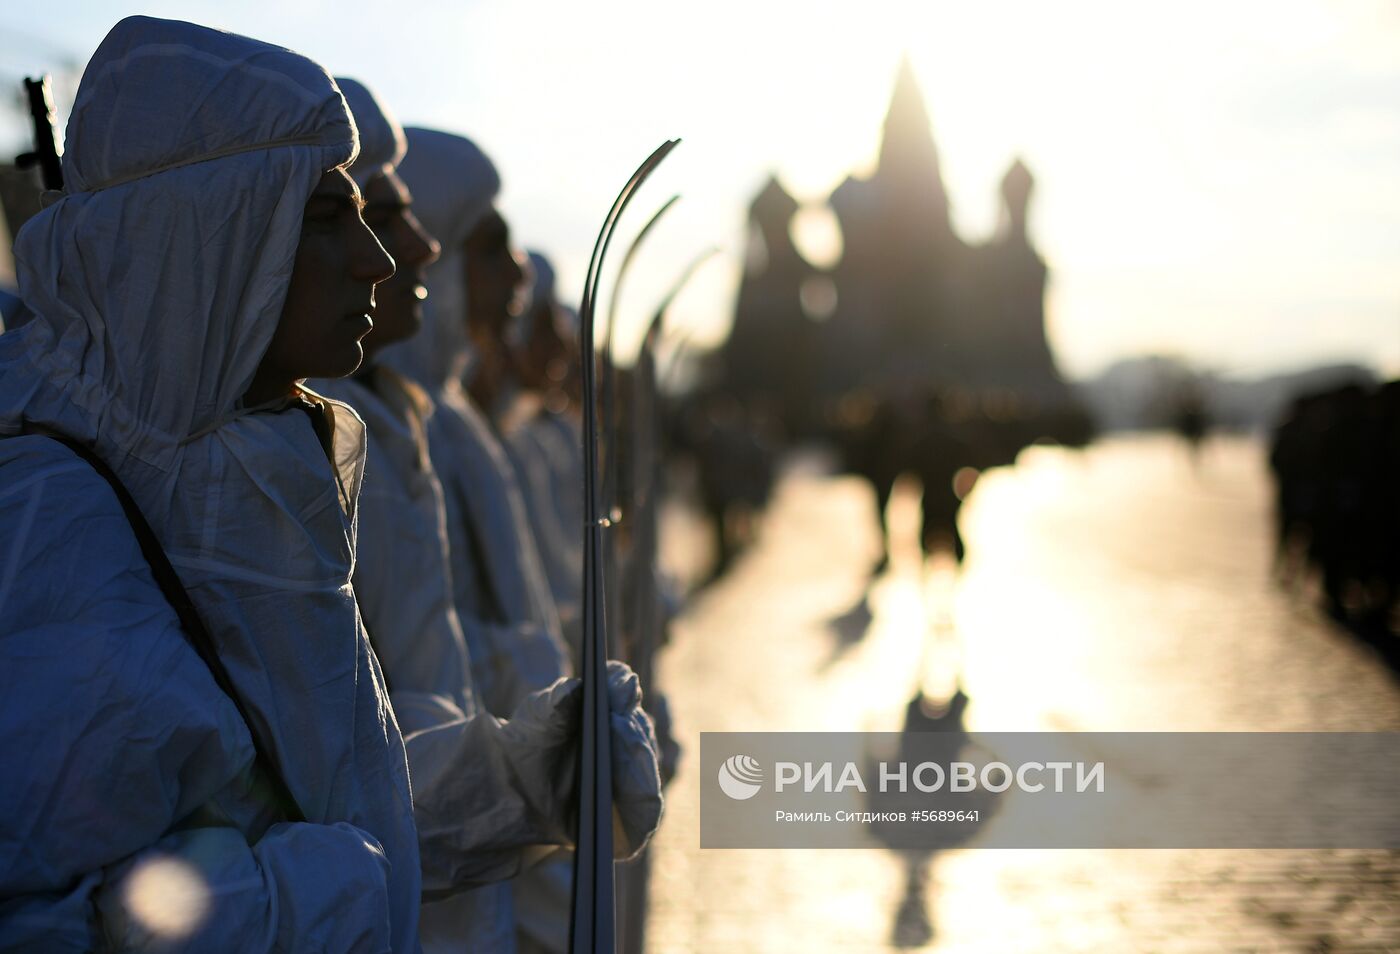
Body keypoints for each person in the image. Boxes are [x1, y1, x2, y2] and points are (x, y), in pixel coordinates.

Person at [0, 17, 421, 950]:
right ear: (204, 242)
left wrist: (521, 781)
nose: (381, 259)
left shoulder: (254, 472)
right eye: (323, 216)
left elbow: (332, 798)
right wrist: (307, 911)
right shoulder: (46, 516)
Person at [311, 79, 662, 953]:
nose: (419, 252)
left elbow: (474, 645)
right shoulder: (337, 440)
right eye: (382, 223)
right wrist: (529, 762)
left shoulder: (429, 427)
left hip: (493, 876)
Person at [381, 129, 572, 718]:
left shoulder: (451, 420)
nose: (517, 276)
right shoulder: (373, 424)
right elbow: (411, 675)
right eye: (491, 248)